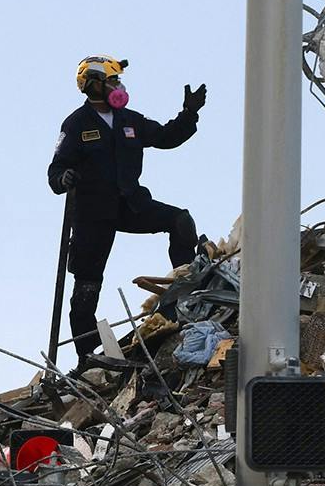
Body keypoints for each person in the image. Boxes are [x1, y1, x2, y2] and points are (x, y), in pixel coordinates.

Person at [48, 55, 207, 368]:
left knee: (180, 220)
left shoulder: (130, 120)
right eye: (113, 81)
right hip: (92, 214)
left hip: (131, 204)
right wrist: (62, 178)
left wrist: (189, 113)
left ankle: (186, 289)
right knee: (87, 286)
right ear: (94, 85)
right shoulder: (76, 124)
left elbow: (166, 137)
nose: (119, 86)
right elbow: (56, 169)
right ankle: (88, 354)